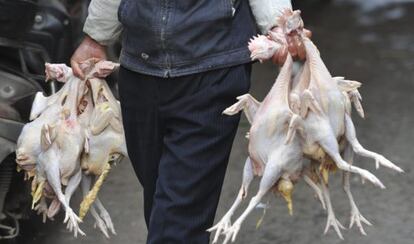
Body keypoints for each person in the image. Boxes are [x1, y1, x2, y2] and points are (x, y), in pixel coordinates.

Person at [71, 0, 291, 243]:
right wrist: (96, 36)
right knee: (161, 203)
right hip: (140, 71)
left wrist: (279, 24)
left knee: (178, 218)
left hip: (213, 67)